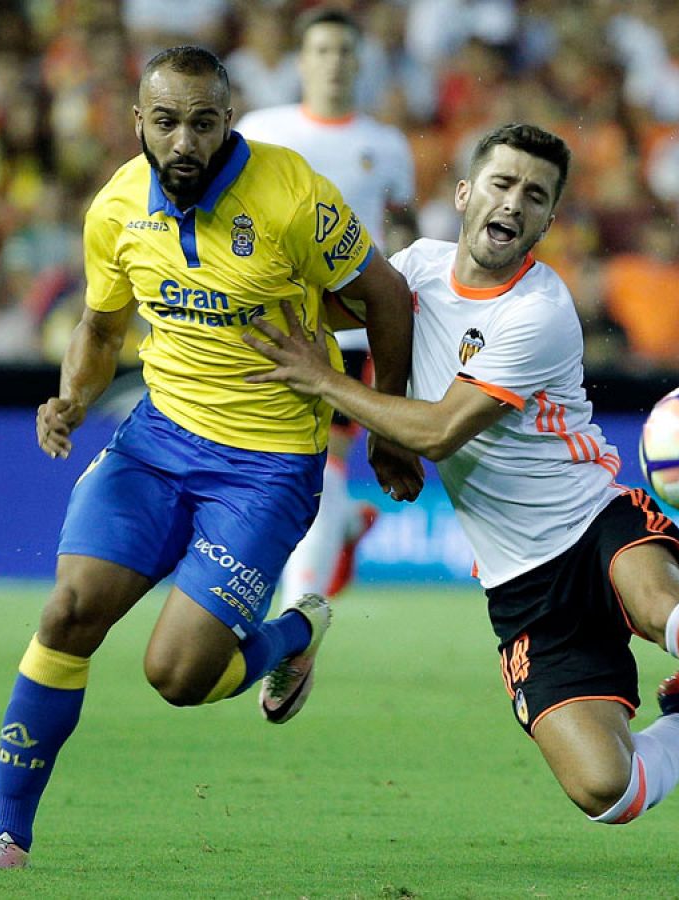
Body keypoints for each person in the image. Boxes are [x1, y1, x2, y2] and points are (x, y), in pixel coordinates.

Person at [245, 123, 679, 827]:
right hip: (520, 584)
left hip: (594, 520)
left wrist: (326, 382)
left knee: (671, 617)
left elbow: (441, 430)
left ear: (548, 220)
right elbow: (318, 308)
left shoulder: (538, 311)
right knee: (608, 793)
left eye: (535, 196)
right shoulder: (414, 268)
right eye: (503, 184)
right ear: (466, 193)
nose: (514, 203)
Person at [0, 46, 421, 872]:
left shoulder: (291, 195)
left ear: (226, 120)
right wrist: (74, 399)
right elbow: (99, 329)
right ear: (140, 124)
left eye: (202, 122)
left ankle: (297, 631)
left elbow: (385, 295)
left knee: (179, 675)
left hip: (267, 464)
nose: (185, 141)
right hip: (159, 441)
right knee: (67, 614)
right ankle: (7, 835)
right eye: (166, 122)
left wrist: (391, 428)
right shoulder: (117, 207)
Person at [236, 6, 418, 603]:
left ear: (359, 61)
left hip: (353, 328)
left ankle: (298, 611)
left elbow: (405, 237)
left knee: (324, 459)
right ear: (301, 60)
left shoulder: (386, 145)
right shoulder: (264, 130)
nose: (334, 61)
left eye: (344, 51)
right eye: (322, 50)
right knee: (288, 465)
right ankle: (340, 524)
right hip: (277, 320)